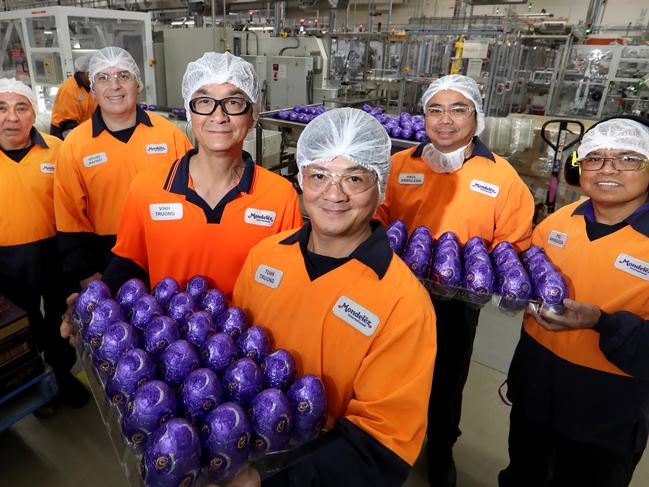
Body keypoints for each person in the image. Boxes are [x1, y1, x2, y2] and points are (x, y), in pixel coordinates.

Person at [231, 107, 437, 486]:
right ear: (301, 179)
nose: (333, 194)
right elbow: (233, 352)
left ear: (380, 187)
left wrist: (263, 483)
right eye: (319, 175)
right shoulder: (265, 256)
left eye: (354, 178)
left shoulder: (403, 303)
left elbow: (379, 446)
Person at [375, 74, 535, 486]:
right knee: (389, 370)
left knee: (446, 377)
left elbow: (511, 247)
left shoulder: (503, 178)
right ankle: (387, 439)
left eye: (458, 109)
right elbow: (377, 217)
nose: (445, 120)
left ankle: (441, 446)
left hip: (456, 303)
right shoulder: (398, 165)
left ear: (476, 116)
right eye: (435, 109)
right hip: (393, 293)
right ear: (423, 116)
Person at [499, 117, 649, 487]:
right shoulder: (558, 223)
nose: (607, 169)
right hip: (536, 387)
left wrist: (602, 322)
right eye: (594, 158)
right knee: (522, 476)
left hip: (606, 408)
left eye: (628, 159)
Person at [54, 47, 192, 288]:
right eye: (103, 78)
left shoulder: (170, 135)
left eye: (124, 76)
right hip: (106, 258)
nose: (114, 85)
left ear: (137, 84)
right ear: (93, 90)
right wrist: (87, 273)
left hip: (168, 252)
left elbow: (194, 195)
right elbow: (70, 218)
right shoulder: (75, 145)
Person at [0, 78, 88, 407]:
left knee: (60, 317)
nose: (12, 117)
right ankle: (34, 384)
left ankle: (63, 376)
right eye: (2, 108)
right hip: (6, 259)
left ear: (33, 112)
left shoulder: (57, 149)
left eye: (21, 107)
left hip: (55, 252)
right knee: (23, 327)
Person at [49, 53, 97, 139]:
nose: (95, 78)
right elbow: (66, 124)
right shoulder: (69, 89)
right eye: (92, 74)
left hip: (84, 130)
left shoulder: (92, 87)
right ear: (84, 71)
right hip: (63, 132)